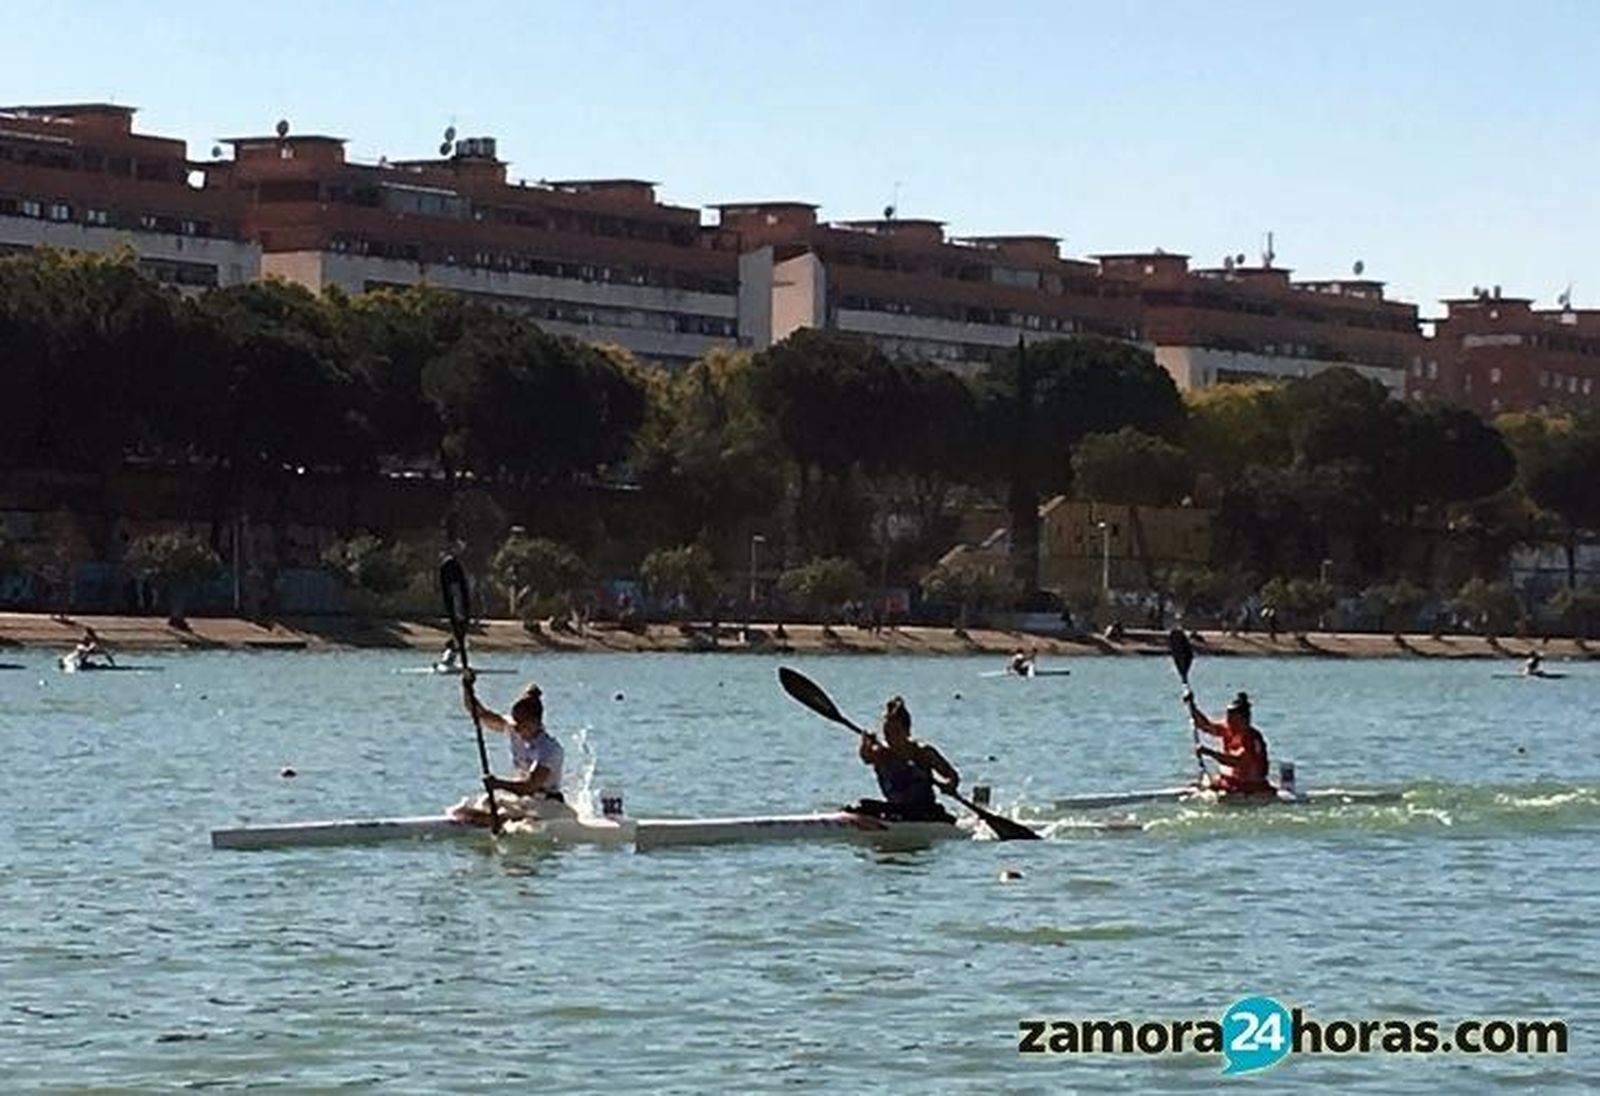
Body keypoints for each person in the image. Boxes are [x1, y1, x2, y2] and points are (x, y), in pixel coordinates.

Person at [451, 670, 569, 825]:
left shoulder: (550, 749)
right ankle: (486, 820)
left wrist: (497, 783)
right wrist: (467, 687)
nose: (517, 729)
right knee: (483, 802)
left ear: (536, 722)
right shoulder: (514, 728)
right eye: (515, 722)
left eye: (522, 724)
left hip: (549, 804)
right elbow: (479, 713)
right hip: (525, 800)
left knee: (503, 816)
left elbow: (530, 786)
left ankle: (495, 820)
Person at [851, 696, 960, 823]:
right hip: (896, 809)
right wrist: (866, 743)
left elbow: (952, 776)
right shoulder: (882, 754)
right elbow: (866, 757)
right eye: (887, 733)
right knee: (861, 805)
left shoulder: (923, 753)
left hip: (924, 810)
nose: (891, 738)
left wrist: (949, 785)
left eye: (896, 733)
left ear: (907, 732)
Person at [1183, 688, 1273, 797]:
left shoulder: (1251, 738)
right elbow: (1205, 726)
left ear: (1245, 720)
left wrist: (1209, 752)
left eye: (1234, 720)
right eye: (1228, 719)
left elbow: (1236, 761)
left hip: (1251, 785)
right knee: (1196, 787)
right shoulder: (1229, 729)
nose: (1229, 723)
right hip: (1233, 782)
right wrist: (1192, 706)